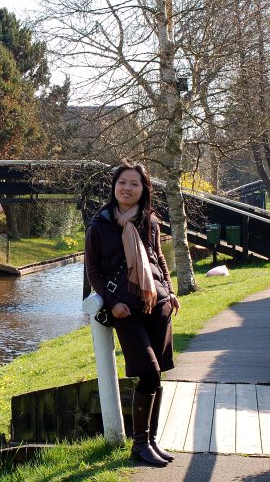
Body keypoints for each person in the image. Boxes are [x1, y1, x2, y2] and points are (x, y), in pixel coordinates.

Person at [84, 160, 181, 467]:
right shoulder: (99, 225)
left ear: (144, 189)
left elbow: (158, 258)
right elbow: (94, 272)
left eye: (134, 184)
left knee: (158, 375)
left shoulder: (150, 221)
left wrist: (170, 289)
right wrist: (112, 303)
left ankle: (151, 440)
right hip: (127, 311)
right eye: (122, 182)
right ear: (114, 187)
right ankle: (139, 445)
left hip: (158, 304)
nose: (127, 188)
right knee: (148, 372)